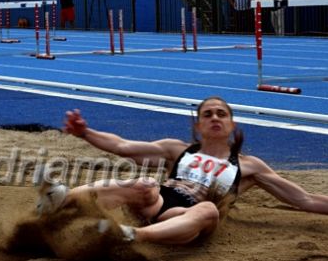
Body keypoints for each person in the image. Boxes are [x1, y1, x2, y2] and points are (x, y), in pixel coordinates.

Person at [35, 97, 328, 246]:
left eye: (221, 114)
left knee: (209, 210)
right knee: (145, 182)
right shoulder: (177, 149)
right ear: (199, 126)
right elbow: (124, 146)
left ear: (232, 125)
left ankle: (130, 235)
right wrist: (85, 132)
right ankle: (60, 199)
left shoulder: (250, 166)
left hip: (189, 216)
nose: (214, 117)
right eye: (207, 114)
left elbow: (304, 200)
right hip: (160, 199)